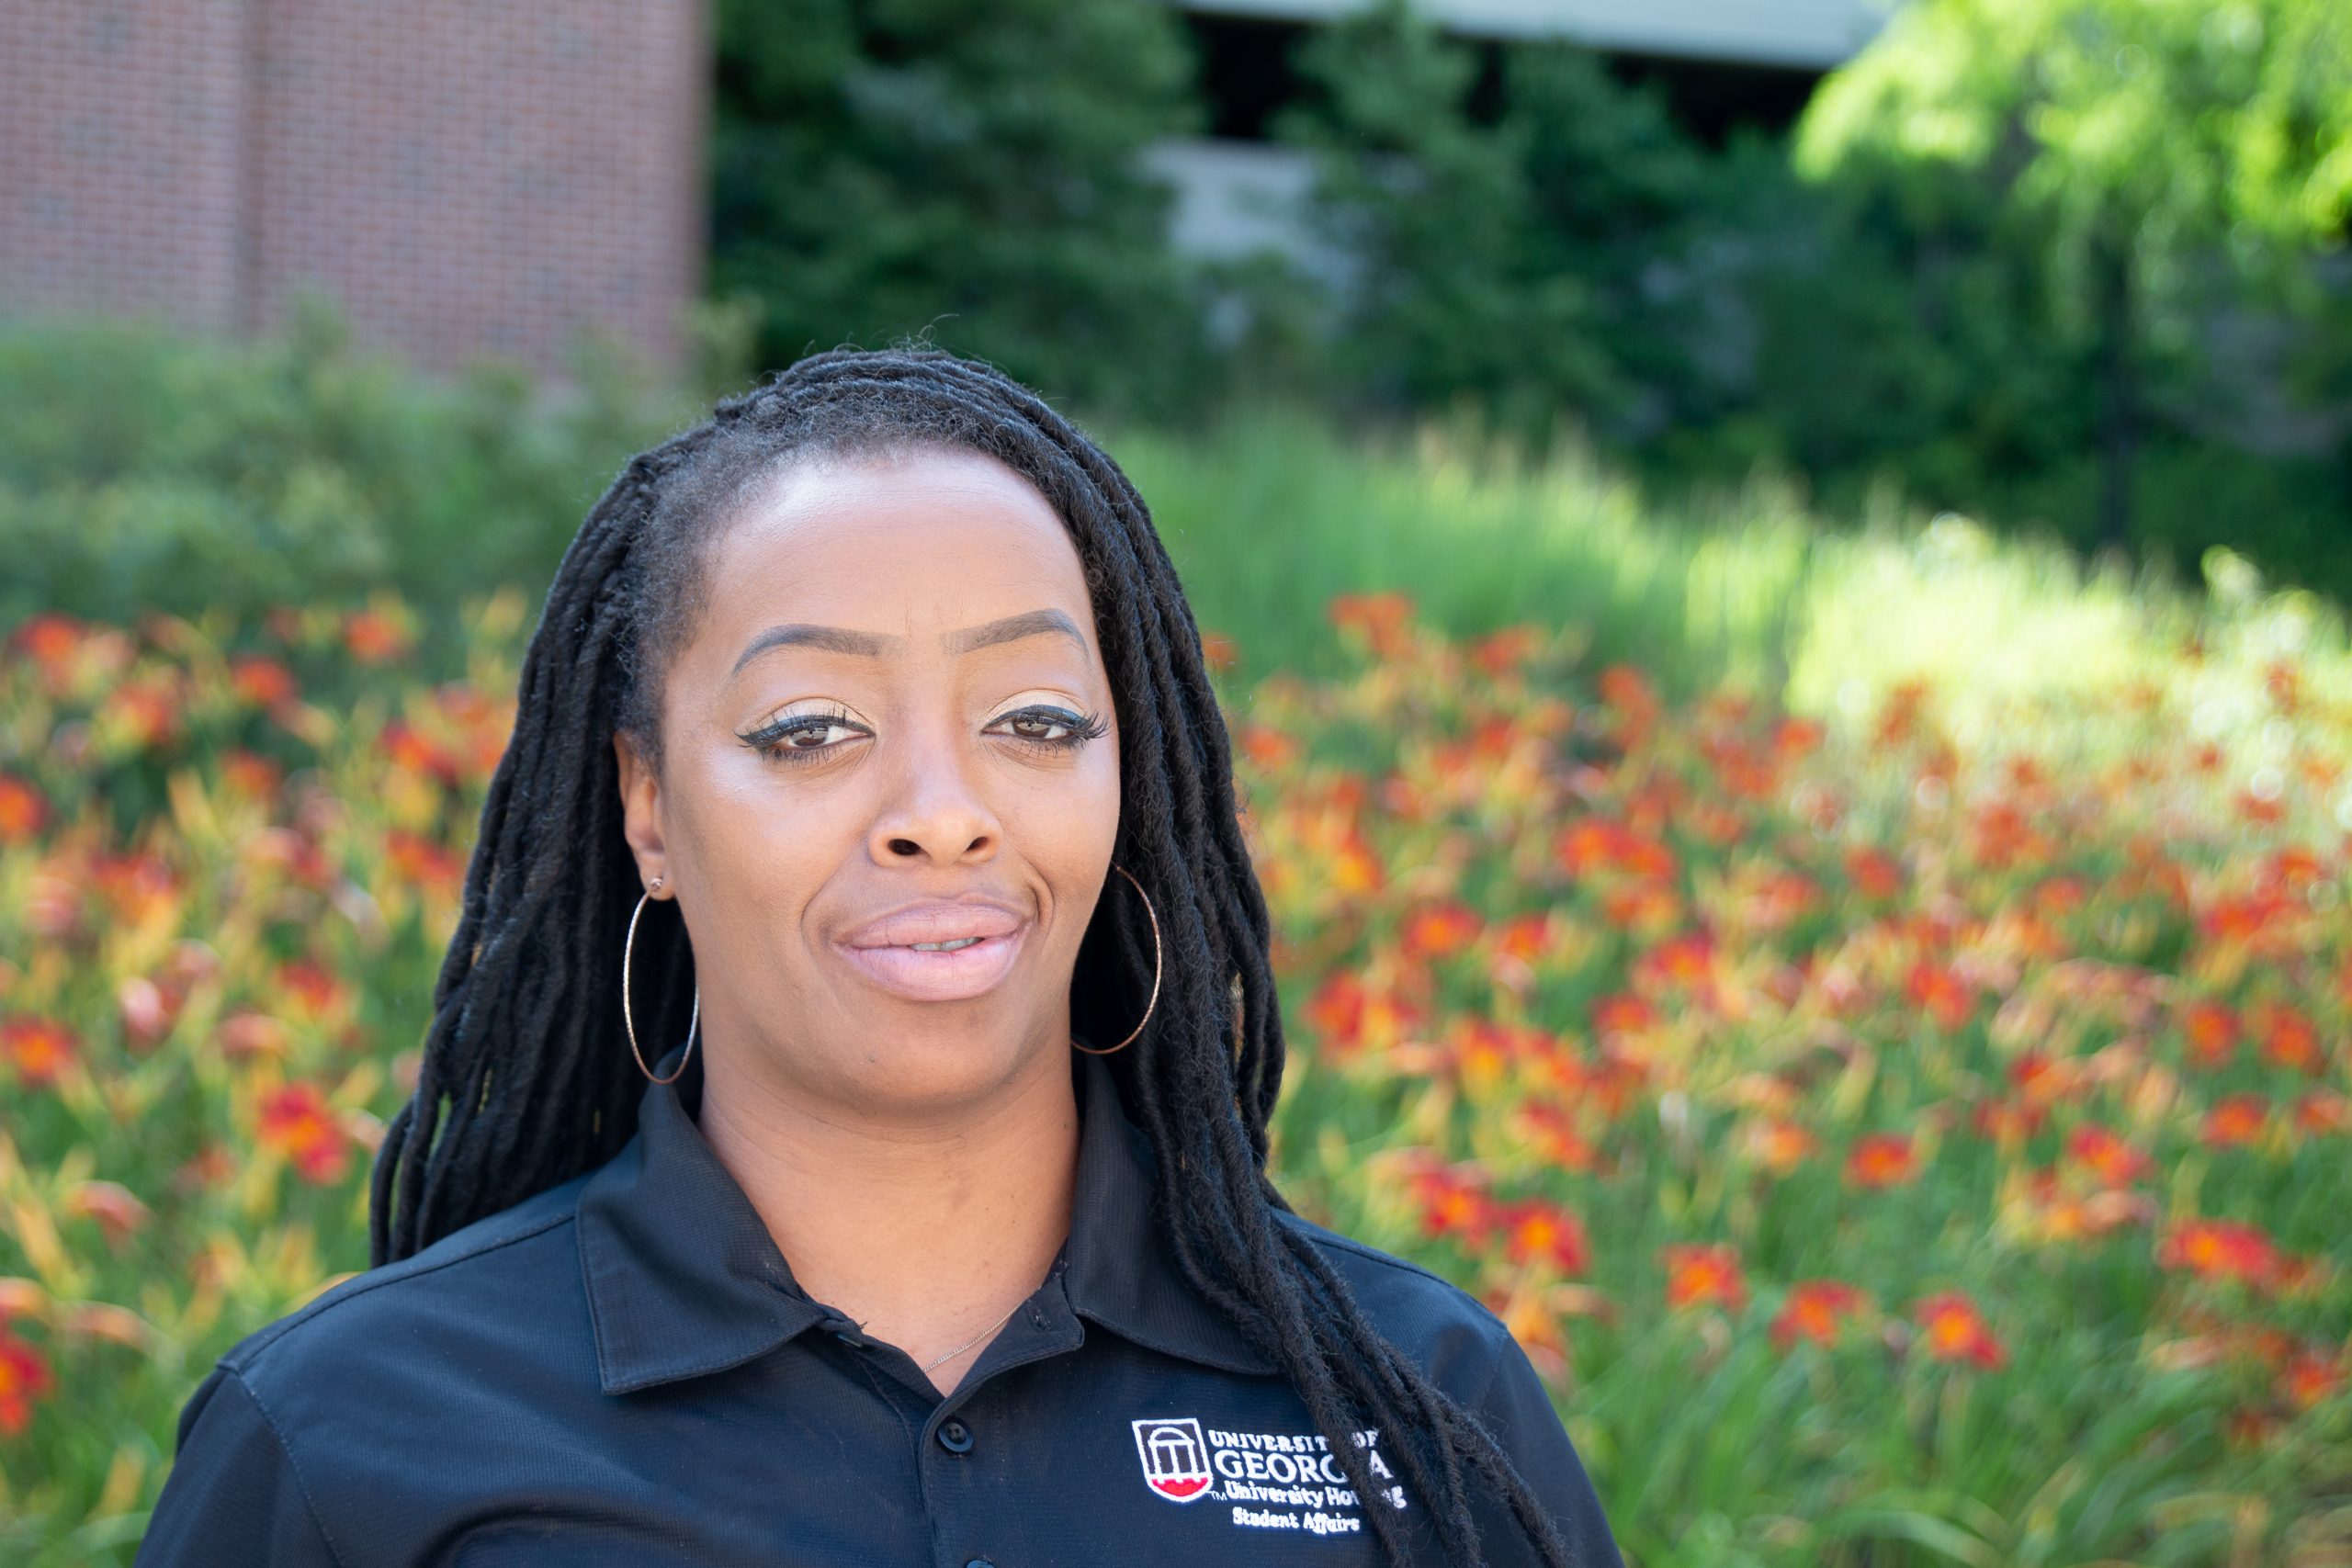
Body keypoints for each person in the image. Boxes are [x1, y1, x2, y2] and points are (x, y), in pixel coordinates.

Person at [134, 346, 1625, 1567]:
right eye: (810, 731)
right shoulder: (344, 1434)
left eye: (1034, 721)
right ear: (649, 810)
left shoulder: (1419, 1402)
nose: (942, 814)